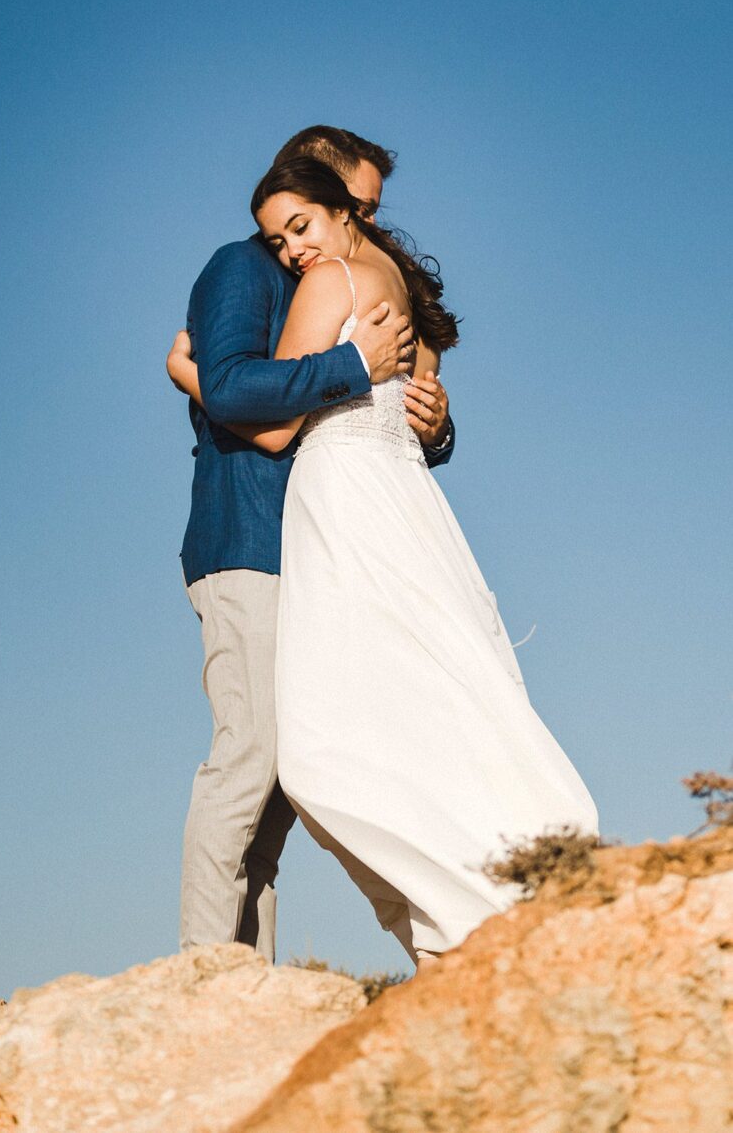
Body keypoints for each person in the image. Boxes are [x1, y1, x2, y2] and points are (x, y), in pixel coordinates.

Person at [171, 156, 599, 965]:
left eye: (307, 225)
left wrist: (185, 370)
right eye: (283, 232)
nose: (295, 247)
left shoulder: (338, 277)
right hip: (309, 534)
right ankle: (220, 968)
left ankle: (237, 971)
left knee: (310, 757)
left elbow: (279, 413)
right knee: (297, 750)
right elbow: (277, 396)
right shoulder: (286, 272)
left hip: (342, 520)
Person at [170, 127, 455, 964]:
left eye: (365, 210)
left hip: (327, 553)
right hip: (252, 541)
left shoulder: (353, 277)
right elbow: (226, 384)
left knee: (294, 784)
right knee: (250, 757)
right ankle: (201, 971)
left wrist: (435, 427)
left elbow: (388, 409)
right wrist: (351, 364)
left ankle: (247, 976)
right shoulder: (241, 268)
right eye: (356, 204)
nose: (365, 223)